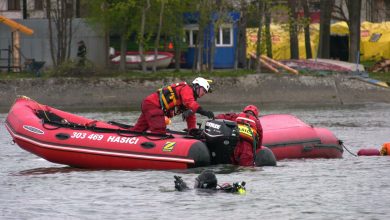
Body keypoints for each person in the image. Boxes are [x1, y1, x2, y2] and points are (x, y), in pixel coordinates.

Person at [131, 77, 215, 134]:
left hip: (152, 106)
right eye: (203, 90)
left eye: (205, 92)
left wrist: (191, 129)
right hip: (153, 105)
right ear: (196, 86)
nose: (204, 93)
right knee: (159, 131)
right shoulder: (186, 89)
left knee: (138, 129)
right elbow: (190, 103)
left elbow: (191, 115)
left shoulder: (190, 98)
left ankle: (129, 139)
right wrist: (203, 112)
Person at [174, 170, 246, 194]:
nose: (195, 185)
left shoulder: (205, 191)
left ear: (204, 185)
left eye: (197, 183)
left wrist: (182, 187)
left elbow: (190, 191)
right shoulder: (220, 191)